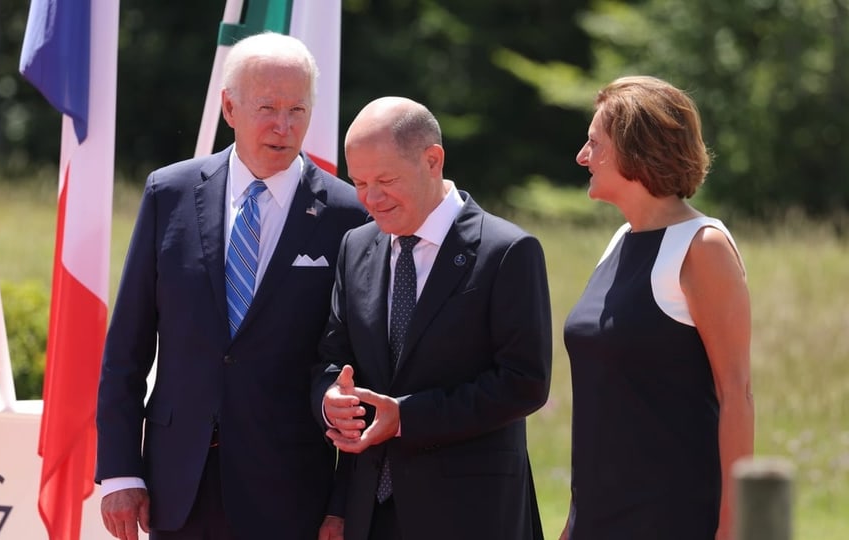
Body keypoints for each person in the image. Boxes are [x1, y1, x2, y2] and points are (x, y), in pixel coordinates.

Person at [95, 32, 368, 540]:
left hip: (292, 497)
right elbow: (126, 350)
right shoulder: (168, 193)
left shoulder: (349, 215)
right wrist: (120, 472)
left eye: (297, 110)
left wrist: (342, 503)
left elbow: (359, 369)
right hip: (177, 489)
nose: (283, 126)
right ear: (229, 107)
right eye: (266, 107)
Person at [312, 96, 552, 540]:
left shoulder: (507, 251)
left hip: (470, 517)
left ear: (432, 160)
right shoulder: (355, 247)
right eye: (359, 182)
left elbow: (525, 382)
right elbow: (333, 358)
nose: (370, 198)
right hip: (369, 517)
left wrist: (407, 417)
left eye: (385, 180)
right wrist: (332, 402)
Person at [561, 75, 754, 540]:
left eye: (593, 143)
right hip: (597, 520)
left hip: (674, 517)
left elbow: (736, 394)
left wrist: (732, 529)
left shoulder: (703, 246)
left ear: (634, 148)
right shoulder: (617, 243)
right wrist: (573, 521)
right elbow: (603, 405)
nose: (581, 156)